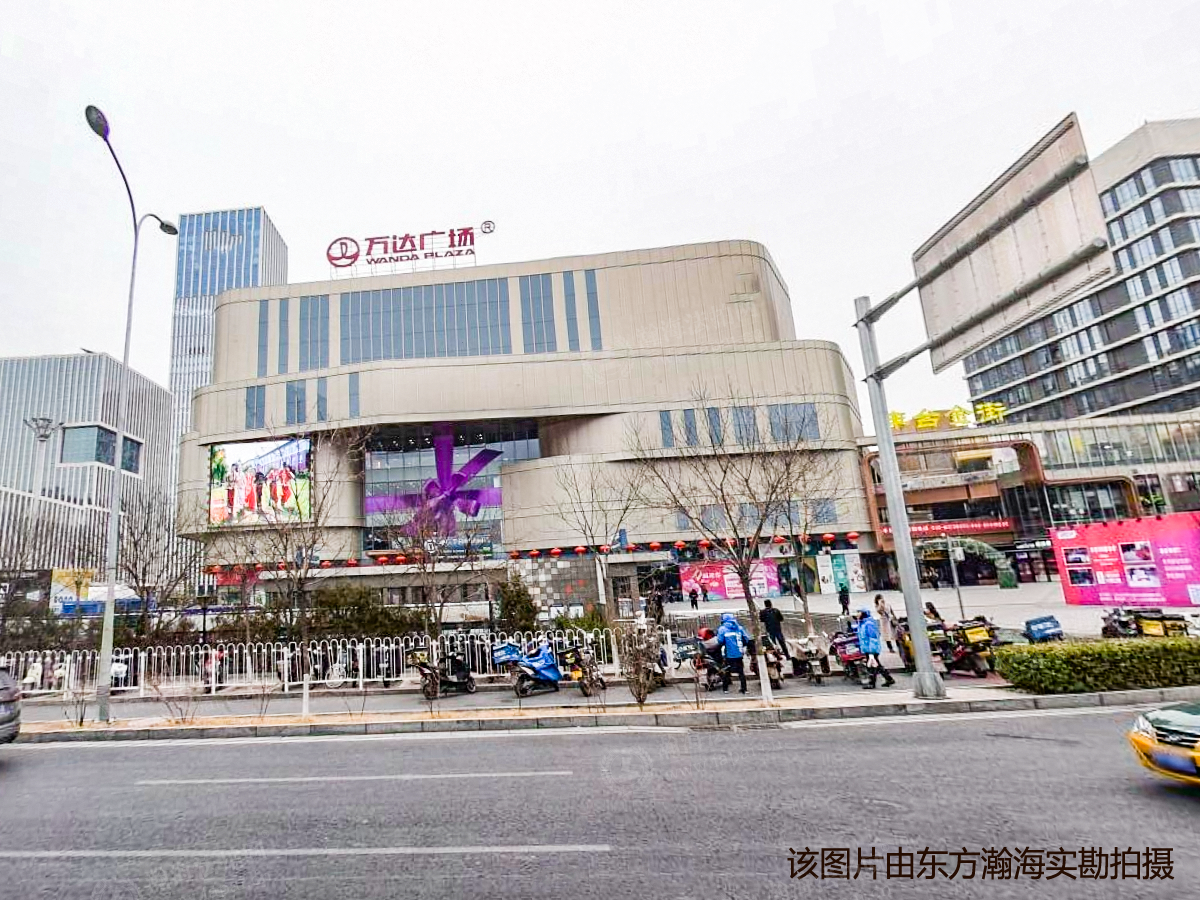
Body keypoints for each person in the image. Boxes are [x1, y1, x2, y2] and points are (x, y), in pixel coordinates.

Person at [855, 608, 895, 689]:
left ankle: (872, 683)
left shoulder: (868, 624)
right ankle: (889, 679)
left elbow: (873, 637)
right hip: (867, 648)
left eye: (859, 612)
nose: (857, 614)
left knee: (872, 666)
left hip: (871, 649)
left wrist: (871, 651)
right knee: (877, 665)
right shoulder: (862, 623)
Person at [717, 612, 750, 693]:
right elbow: (746, 638)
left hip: (729, 653)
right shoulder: (739, 628)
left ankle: (725, 689)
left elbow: (720, 641)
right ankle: (744, 689)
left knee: (726, 670)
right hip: (739, 653)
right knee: (741, 671)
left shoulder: (722, 629)